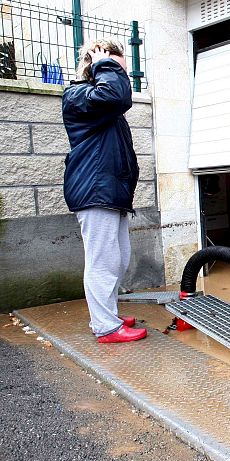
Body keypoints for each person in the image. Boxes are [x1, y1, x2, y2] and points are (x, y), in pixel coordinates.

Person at [62, 39, 146, 343]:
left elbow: (116, 95)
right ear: (95, 67)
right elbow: (116, 95)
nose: (121, 77)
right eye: (116, 68)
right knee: (103, 261)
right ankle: (106, 327)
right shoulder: (77, 95)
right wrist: (105, 63)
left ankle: (106, 313)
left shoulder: (98, 101)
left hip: (109, 192)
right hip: (94, 190)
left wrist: (107, 67)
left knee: (118, 259)